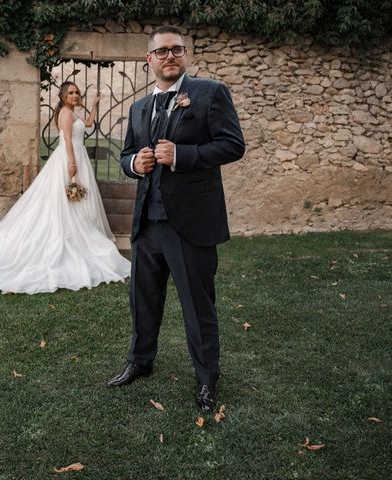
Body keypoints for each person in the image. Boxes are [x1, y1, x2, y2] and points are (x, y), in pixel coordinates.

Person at [106, 26, 246, 412]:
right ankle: (140, 361)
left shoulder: (209, 93)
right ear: (149, 59)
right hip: (147, 224)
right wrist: (134, 163)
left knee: (197, 306)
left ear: (185, 55)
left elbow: (234, 145)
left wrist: (182, 156)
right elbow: (127, 154)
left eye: (177, 50)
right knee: (143, 300)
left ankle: (206, 379)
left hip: (192, 223)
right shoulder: (139, 108)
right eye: (162, 51)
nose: (170, 56)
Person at [0, 82, 130, 294]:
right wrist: (72, 164)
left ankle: (80, 236)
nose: (75, 95)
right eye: (71, 93)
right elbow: (67, 139)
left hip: (78, 156)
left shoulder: (74, 113)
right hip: (70, 158)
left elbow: (88, 124)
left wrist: (94, 104)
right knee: (65, 202)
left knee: (78, 202)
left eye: (77, 92)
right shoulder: (65, 114)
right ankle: (70, 237)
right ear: (63, 96)